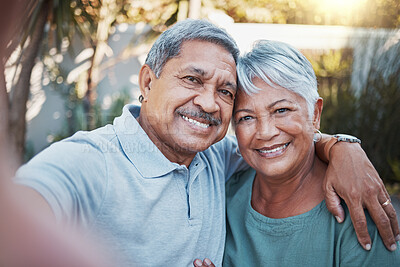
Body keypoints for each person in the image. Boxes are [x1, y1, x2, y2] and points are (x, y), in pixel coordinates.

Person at [6, 19, 399, 266]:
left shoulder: (216, 157)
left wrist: (343, 147)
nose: (209, 103)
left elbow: (283, 141)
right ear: (147, 82)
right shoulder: (91, 162)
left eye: (225, 92)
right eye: (192, 80)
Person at [217, 40, 400, 266]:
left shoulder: (357, 209)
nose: (265, 132)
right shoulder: (223, 195)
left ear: (315, 114)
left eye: (281, 110)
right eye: (246, 117)